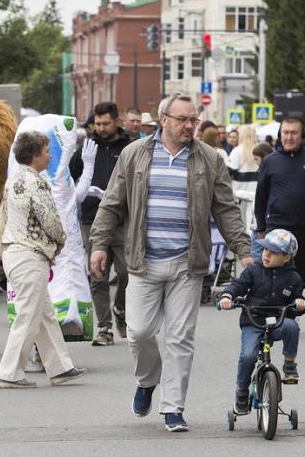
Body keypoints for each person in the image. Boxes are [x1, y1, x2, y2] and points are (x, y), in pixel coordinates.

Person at [89, 92, 252, 433]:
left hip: (186, 263)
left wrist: (244, 250)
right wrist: (99, 244)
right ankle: (147, 380)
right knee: (139, 333)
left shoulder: (209, 158)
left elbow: (225, 209)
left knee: (180, 338)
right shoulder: (135, 154)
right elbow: (113, 203)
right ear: (163, 120)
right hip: (143, 261)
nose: (189, 125)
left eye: (192, 119)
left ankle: (173, 407)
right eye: (182, 119)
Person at [0, 132, 87, 389]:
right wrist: (61, 241)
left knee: (45, 315)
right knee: (28, 316)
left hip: (14, 253)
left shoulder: (14, 179)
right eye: (46, 151)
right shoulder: (37, 182)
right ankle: (10, 373)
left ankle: (60, 368)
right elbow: (50, 220)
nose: (49, 156)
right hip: (30, 254)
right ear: (35, 156)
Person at [218, 229, 305, 415]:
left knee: (292, 327)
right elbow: (238, 285)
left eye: (273, 252)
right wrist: (227, 296)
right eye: (265, 250)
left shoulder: (293, 278)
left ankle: (289, 364)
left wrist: (299, 304)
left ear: (286, 258)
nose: (266, 254)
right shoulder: (254, 270)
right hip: (254, 321)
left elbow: (297, 299)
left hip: (277, 321)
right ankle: (242, 390)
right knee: (248, 355)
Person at [69, 101, 132, 345]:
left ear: (117, 121)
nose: (101, 127)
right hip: (91, 219)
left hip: (122, 219)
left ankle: (120, 309)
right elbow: (69, 180)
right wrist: (81, 194)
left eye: (106, 123)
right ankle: (104, 327)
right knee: (98, 275)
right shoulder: (87, 147)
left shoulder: (129, 147)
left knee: (128, 272)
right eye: (98, 123)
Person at [253, 117, 305, 285]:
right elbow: (260, 196)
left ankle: (291, 311)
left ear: (302, 135)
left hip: (304, 228)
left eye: (294, 133)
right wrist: (261, 226)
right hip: (276, 226)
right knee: (272, 277)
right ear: (280, 134)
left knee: (298, 278)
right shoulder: (270, 161)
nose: (289, 137)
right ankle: (272, 311)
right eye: (285, 132)